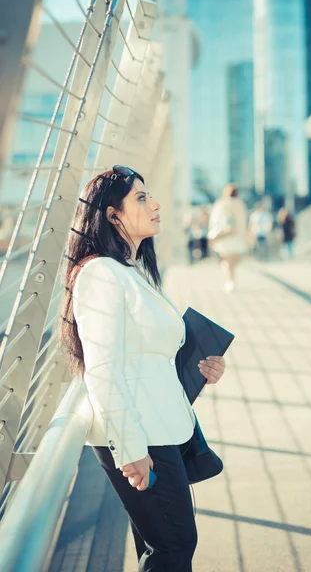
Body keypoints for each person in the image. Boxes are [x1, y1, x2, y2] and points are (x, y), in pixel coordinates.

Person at [59, 165, 226, 572]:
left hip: (158, 428)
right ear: (112, 215)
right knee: (174, 546)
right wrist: (130, 450)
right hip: (140, 435)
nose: (155, 204)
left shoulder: (133, 272)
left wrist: (202, 368)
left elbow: (147, 357)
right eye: (140, 197)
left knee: (165, 548)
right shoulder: (100, 274)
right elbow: (102, 369)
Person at [208, 183, 248, 292]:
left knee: (226, 261)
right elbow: (244, 223)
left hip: (225, 237)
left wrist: (213, 236)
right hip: (238, 238)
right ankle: (232, 280)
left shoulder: (221, 204)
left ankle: (229, 281)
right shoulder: (241, 205)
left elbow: (215, 221)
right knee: (233, 261)